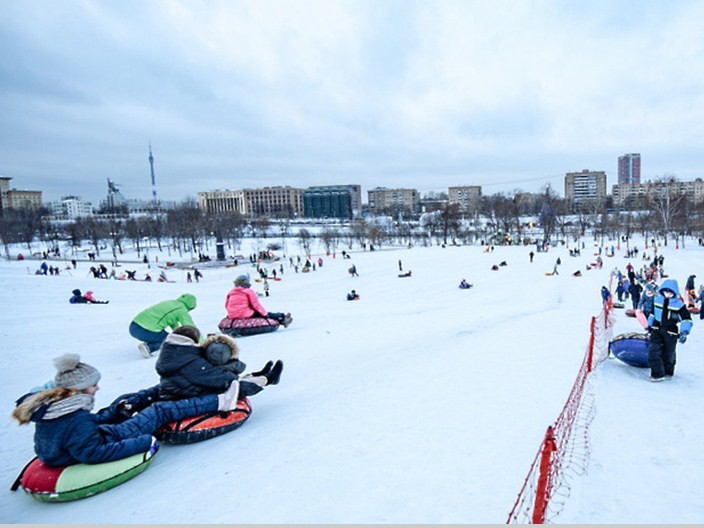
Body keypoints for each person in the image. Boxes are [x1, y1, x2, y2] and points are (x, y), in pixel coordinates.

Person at [11, 353, 241, 467]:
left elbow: (84, 426)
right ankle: (221, 402)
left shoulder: (56, 405)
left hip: (69, 446)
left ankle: (186, 391)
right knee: (159, 410)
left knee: (125, 400)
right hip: (90, 447)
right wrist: (143, 442)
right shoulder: (75, 418)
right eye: (93, 386)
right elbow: (92, 453)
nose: (97, 388)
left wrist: (115, 412)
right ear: (77, 390)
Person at [156, 326, 283, 401]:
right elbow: (221, 378)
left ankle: (258, 375)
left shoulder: (173, 353)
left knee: (229, 380)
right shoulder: (191, 361)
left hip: (184, 391)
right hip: (189, 397)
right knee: (235, 386)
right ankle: (267, 379)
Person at [646, 279, 693, 381]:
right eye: (665, 291)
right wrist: (649, 325)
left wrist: (684, 332)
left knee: (669, 353)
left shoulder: (679, 305)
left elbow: (687, 319)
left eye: (670, 292)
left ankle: (668, 371)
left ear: (674, 293)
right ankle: (657, 374)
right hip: (656, 329)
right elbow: (653, 314)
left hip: (670, 331)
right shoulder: (657, 300)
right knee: (653, 350)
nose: (667, 294)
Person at [129, 294, 199, 358]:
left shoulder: (171, 303)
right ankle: (149, 348)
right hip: (145, 331)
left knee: (169, 336)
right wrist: (199, 342)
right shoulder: (181, 310)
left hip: (133, 326)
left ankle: (151, 342)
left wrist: (178, 334)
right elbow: (190, 328)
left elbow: (173, 323)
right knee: (171, 340)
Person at [225, 275, 292, 327]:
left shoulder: (231, 292)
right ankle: (282, 318)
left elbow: (226, 305)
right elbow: (256, 305)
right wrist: (264, 314)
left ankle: (282, 317)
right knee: (267, 314)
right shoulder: (248, 291)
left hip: (232, 315)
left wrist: (232, 312)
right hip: (245, 313)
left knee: (255, 312)